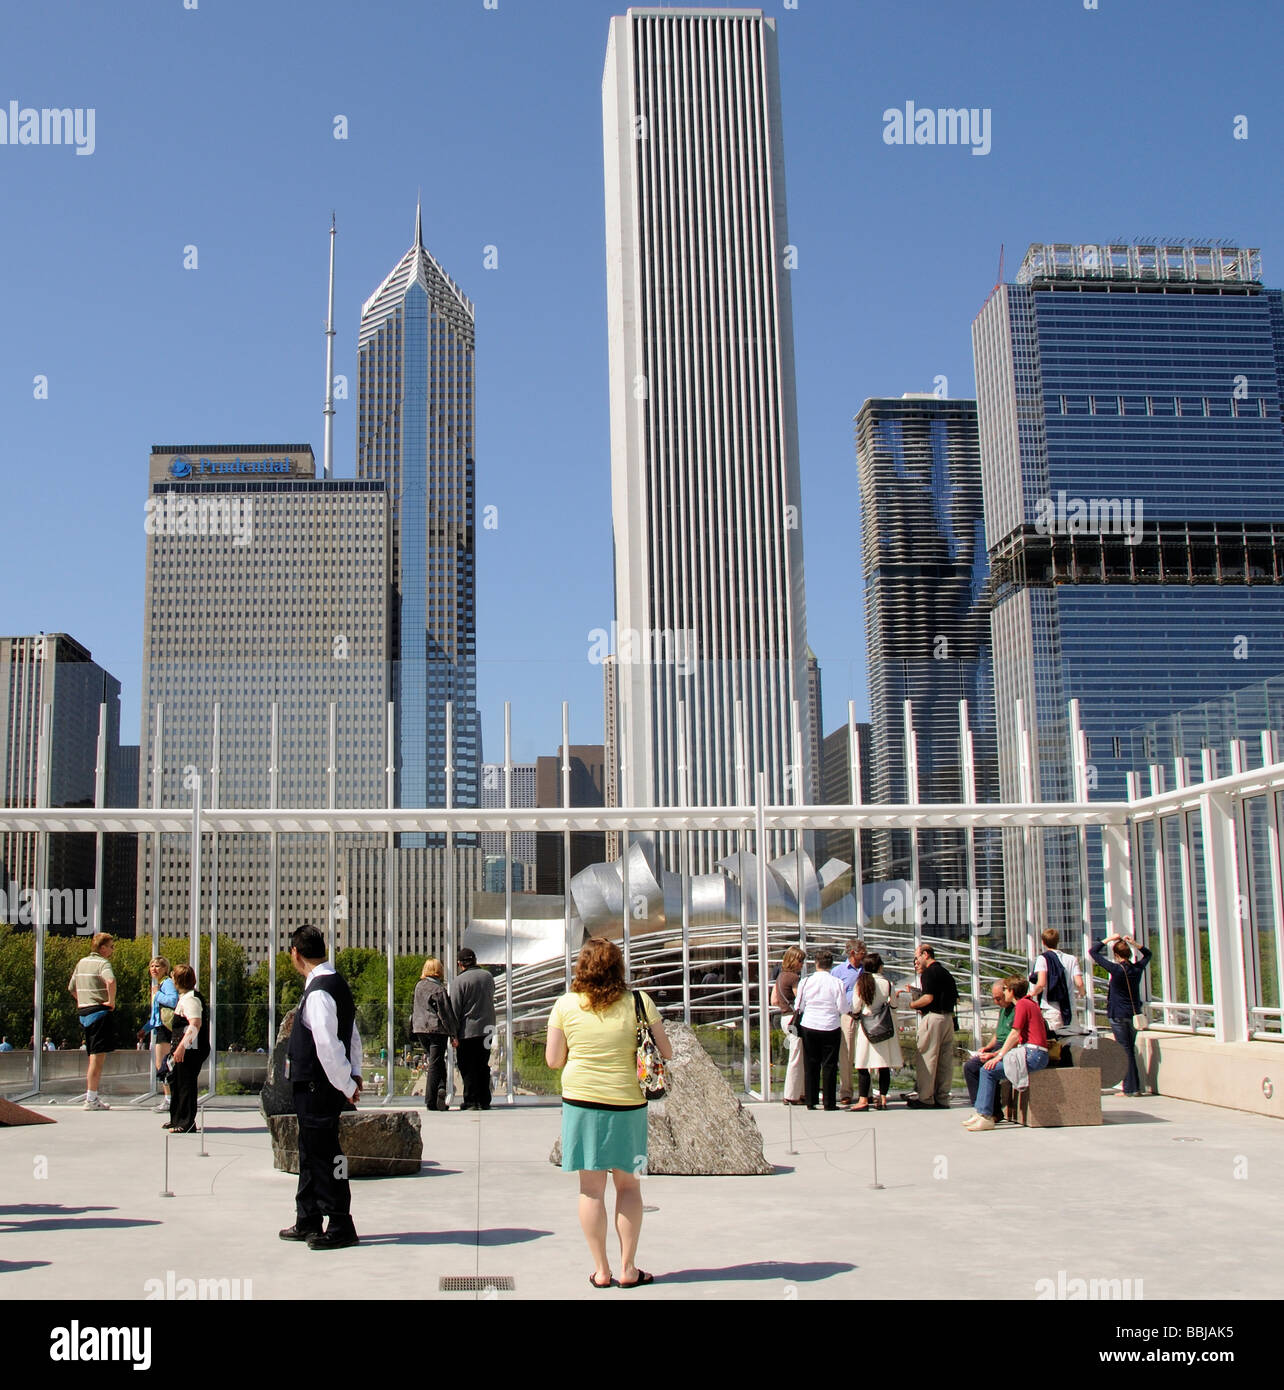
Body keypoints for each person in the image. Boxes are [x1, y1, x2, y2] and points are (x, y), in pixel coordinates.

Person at [545, 937, 672, 1289]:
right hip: (627, 1104)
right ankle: (628, 1268)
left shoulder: (566, 1005)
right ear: (618, 967)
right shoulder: (638, 1002)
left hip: (581, 1104)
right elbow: (667, 1050)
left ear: (580, 968)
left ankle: (601, 1270)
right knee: (628, 1187)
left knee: (590, 1190)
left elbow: (554, 1060)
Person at [279, 924, 363, 1250]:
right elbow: (352, 1036)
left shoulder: (319, 992)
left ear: (295, 954)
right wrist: (352, 1075)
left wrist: (345, 1083)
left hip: (317, 1085)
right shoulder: (334, 984)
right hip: (320, 1085)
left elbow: (328, 1046)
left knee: (327, 1155)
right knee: (311, 1153)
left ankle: (340, 1222)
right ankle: (308, 1218)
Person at [966, 976, 1049, 1130]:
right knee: (987, 1069)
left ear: (1011, 990)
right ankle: (982, 1112)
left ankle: (985, 1115)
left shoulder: (1022, 1004)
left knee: (988, 1071)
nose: (1004, 994)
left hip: (1033, 1054)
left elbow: (1014, 1034)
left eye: (1005, 990)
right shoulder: (1028, 1003)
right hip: (1034, 1053)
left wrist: (998, 1056)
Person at [1089, 933, 1153, 1097]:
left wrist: (1109, 939)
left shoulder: (1116, 969)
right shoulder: (1137, 969)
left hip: (1118, 1014)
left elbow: (1093, 952)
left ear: (1116, 955)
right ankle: (1132, 1086)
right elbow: (1149, 954)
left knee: (1125, 1051)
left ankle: (1131, 1088)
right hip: (1133, 1014)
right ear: (1130, 954)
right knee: (1129, 1048)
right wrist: (1134, 944)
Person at [896, 943, 959, 1108]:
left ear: (925, 954)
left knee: (927, 1058)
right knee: (944, 1062)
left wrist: (913, 1004)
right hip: (948, 1019)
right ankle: (942, 1098)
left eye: (916, 957)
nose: (916, 961)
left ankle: (925, 1098)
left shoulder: (929, 973)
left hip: (933, 1018)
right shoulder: (945, 972)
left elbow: (928, 998)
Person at [794, 948, 848, 1111]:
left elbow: (799, 1005)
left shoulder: (806, 981)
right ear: (830, 965)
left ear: (816, 964)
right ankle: (829, 1102)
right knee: (830, 1065)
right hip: (831, 1025)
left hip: (809, 1024)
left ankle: (811, 1100)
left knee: (811, 1063)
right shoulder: (837, 982)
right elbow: (842, 1007)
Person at [67, 932, 116, 1110]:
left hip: (84, 1012)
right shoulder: (103, 963)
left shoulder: (81, 963)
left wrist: (82, 1001)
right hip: (99, 1012)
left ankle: (91, 1096)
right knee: (97, 1059)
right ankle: (91, 1098)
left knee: (92, 1056)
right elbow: (110, 981)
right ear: (102, 948)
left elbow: (71, 987)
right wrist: (111, 1002)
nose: (112, 950)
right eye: (111, 946)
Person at [849, 952, 902, 1110]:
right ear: (879, 966)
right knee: (883, 1064)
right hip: (883, 1025)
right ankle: (883, 1098)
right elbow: (893, 1004)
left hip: (867, 1025)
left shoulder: (861, 982)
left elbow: (856, 1006)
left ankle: (863, 1099)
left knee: (863, 1063)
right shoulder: (886, 982)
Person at [164, 964, 210, 1134]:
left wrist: (182, 1047)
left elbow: (195, 1024)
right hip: (184, 1047)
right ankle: (176, 1118)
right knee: (177, 1081)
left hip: (191, 1049)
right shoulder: (185, 997)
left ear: (177, 980)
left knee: (186, 1084)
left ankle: (186, 1122)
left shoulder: (191, 998)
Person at [450, 947, 496, 1111]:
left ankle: (471, 1100)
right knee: (483, 1063)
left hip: (467, 1031)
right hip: (488, 1029)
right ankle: (484, 1099)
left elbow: (455, 1008)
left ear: (460, 964)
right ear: (475, 960)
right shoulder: (488, 977)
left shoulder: (459, 981)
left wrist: (453, 1033)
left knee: (467, 1065)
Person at [412, 956, 458, 1111]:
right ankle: (431, 1100)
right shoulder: (439, 989)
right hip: (436, 1030)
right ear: (439, 971)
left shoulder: (419, 986)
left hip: (420, 1029)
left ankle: (441, 1088)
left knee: (436, 1062)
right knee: (435, 1063)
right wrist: (453, 1034)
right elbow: (446, 1014)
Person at [963, 981, 1015, 1118]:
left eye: (999, 998)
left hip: (1009, 1048)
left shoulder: (1017, 1010)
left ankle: (990, 1111)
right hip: (999, 1047)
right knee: (970, 1066)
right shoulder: (1003, 1009)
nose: (996, 1002)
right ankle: (981, 1108)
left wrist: (993, 1054)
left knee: (988, 1067)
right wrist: (987, 1047)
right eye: (994, 998)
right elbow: (998, 1034)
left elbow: (1014, 1039)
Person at [830, 938, 866, 1107]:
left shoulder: (866, 970)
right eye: (862, 953)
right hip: (848, 1016)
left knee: (866, 1055)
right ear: (853, 953)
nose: (864, 955)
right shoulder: (838, 971)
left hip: (866, 1017)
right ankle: (846, 1092)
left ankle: (866, 1093)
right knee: (846, 1056)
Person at [143, 957, 180, 1115]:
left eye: (158, 966)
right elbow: (157, 1014)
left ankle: (169, 1099)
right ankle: (170, 1098)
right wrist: (145, 1028)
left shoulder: (166, 984)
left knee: (163, 1065)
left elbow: (173, 1000)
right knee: (164, 1064)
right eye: (151, 966)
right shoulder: (160, 985)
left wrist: (157, 994)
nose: (154, 969)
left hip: (166, 1029)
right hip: (160, 1027)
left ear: (165, 968)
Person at [1030, 928, 1085, 1032]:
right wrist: (1082, 993)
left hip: (1051, 1008)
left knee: (1054, 1042)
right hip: (1070, 1008)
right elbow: (1079, 982)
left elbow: (1041, 983)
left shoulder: (1043, 958)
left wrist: (1032, 993)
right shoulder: (1071, 959)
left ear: (1043, 942)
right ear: (1058, 941)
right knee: (1070, 1042)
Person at [772, 945, 806, 1105]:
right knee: (796, 1056)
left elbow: (774, 1001)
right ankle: (791, 1095)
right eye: (800, 960)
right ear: (793, 960)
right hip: (794, 1019)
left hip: (784, 1017)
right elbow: (800, 999)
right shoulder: (793, 978)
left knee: (797, 1055)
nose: (802, 964)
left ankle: (799, 1092)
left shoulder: (780, 977)